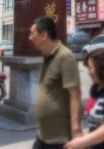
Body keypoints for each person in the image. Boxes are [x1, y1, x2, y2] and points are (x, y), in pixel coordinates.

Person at [29, 16, 82, 149]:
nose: (30, 37)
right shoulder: (47, 56)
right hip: (43, 137)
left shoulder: (65, 57)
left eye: (32, 33)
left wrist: (76, 131)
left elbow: (75, 95)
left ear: (43, 35)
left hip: (59, 140)